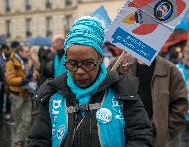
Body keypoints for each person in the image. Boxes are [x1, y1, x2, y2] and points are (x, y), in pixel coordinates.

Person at [28, 16, 153, 147]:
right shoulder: (52, 96)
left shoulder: (123, 92)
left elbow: (141, 138)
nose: (80, 71)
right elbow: (38, 140)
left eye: (88, 63)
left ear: (99, 59)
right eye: (72, 63)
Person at [112, 53, 188, 147]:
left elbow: (180, 104)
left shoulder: (170, 70)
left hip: (155, 138)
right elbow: (104, 89)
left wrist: (166, 130)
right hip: (124, 134)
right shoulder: (121, 64)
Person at [6, 45, 38, 147]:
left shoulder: (27, 61)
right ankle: (21, 142)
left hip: (27, 94)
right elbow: (10, 80)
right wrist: (23, 80)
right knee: (19, 122)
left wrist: (35, 75)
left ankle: (16, 143)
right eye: (26, 51)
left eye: (28, 51)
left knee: (27, 120)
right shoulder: (11, 63)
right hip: (17, 96)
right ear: (20, 52)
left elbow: (35, 72)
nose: (28, 53)